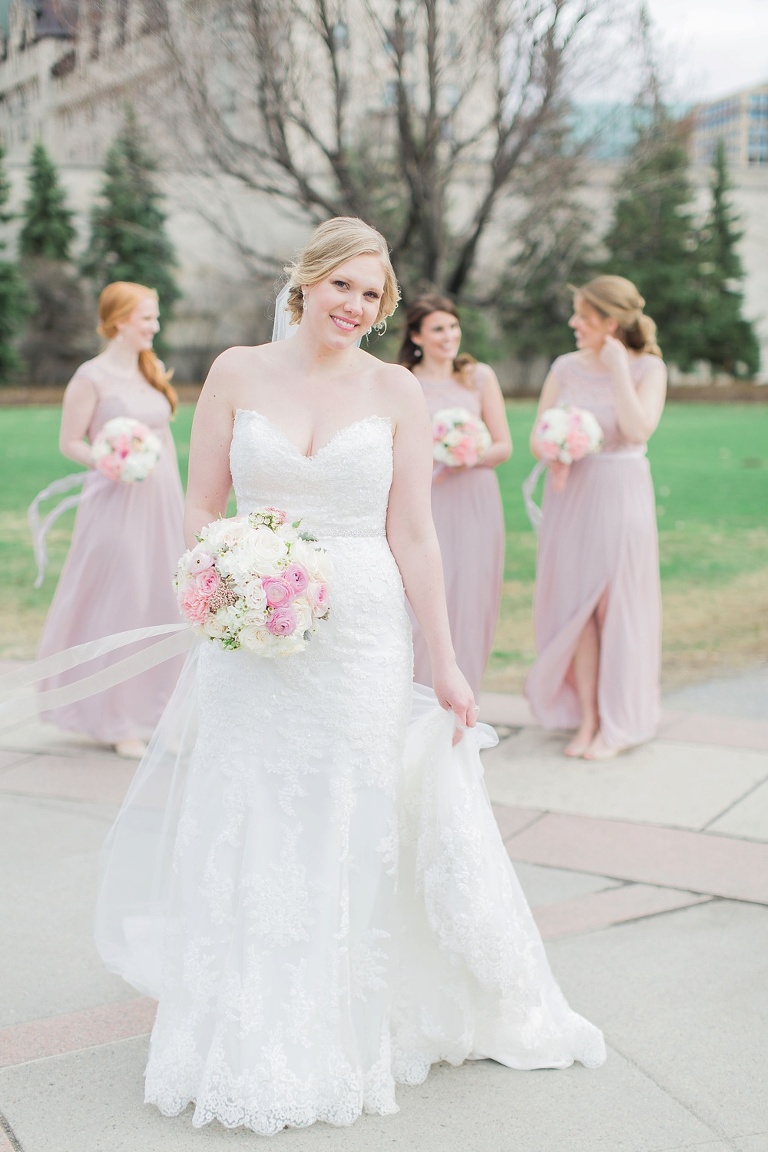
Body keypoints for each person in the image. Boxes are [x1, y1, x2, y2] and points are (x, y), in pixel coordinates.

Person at [94, 218, 605, 1135]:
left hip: (364, 631)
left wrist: (445, 659)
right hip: (253, 629)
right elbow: (203, 498)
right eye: (344, 286)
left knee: (345, 813)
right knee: (250, 807)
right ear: (308, 281)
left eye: (373, 296)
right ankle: (241, 1023)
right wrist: (220, 583)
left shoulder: (395, 390)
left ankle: (336, 1023)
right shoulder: (237, 372)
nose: (357, 307)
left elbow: (414, 532)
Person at [37, 282, 185, 759]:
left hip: (162, 499)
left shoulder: (151, 369)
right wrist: (110, 461)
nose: (154, 327)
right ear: (120, 320)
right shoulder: (91, 377)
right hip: (116, 500)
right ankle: (116, 717)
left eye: (155, 318)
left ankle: (155, 711)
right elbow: (69, 441)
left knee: (161, 597)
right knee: (125, 594)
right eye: (147, 318)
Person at [526, 275, 667, 760]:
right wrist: (557, 445)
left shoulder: (649, 368)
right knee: (577, 612)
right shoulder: (564, 367)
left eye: (582, 316)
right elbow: (537, 433)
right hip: (571, 497)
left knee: (613, 608)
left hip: (620, 494)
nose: (572, 323)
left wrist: (618, 370)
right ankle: (586, 719)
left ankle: (617, 721)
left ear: (610, 322)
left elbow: (637, 427)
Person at [399, 295, 511, 696]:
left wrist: (466, 455)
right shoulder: (403, 380)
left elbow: (503, 446)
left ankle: (466, 699)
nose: (449, 336)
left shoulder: (479, 377)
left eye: (453, 326)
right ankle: (415, 697)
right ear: (416, 336)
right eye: (438, 329)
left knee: (471, 595)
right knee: (424, 597)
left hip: (476, 499)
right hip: (425, 500)